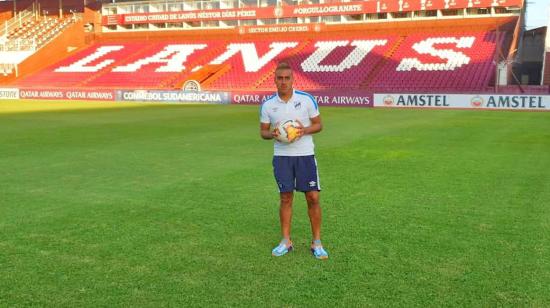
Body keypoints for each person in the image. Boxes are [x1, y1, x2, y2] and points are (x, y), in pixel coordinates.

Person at [259, 62, 328, 260]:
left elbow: (318, 125)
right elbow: (262, 132)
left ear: (292, 79)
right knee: (286, 198)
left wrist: (302, 130)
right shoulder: (268, 105)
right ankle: (286, 241)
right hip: (282, 157)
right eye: (279, 78)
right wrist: (272, 133)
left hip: (305, 155)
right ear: (274, 80)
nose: (283, 82)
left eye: (286, 78)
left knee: (313, 197)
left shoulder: (307, 100)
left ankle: (317, 242)